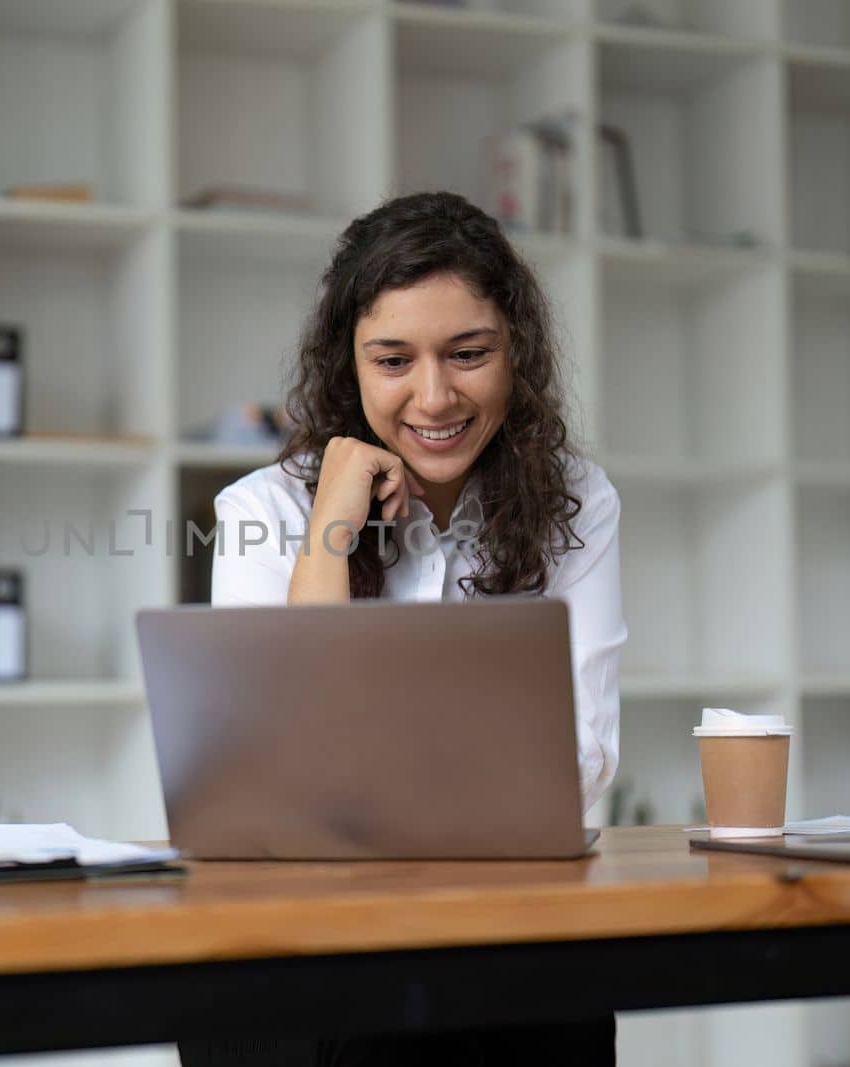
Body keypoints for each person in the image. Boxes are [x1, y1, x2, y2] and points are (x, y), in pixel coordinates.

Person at [187, 191, 625, 1066]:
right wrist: (331, 525)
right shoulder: (260, 509)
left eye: (469, 353)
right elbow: (273, 777)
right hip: (293, 944)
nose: (434, 396)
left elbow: (580, 766)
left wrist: (362, 780)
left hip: (500, 935)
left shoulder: (576, 504)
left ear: (517, 353)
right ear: (348, 365)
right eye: (393, 359)